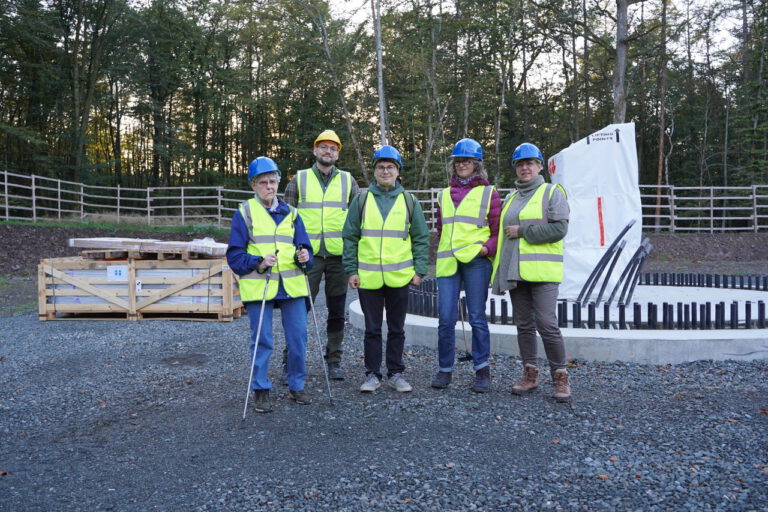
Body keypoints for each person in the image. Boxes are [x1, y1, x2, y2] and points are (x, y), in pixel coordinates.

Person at [226, 156, 314, 413]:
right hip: (260, 286)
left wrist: (305, 256)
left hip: (292, 286)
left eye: (273, 181)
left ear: (278, 183)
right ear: (254, 185)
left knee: (298, 338)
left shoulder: (293, 213)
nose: (269, 187)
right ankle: (261, 388)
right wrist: (259, 262)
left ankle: (296, 384)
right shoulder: (244, 213)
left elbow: (305, 248)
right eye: (263, 182)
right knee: (262, 339)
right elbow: (234, 256)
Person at [342, 145, 430, 393]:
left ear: (397, 171)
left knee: (396, 329)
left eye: (390, 167)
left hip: (400, 277)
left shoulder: (409, 201)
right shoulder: (361, 200)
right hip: (368, 278)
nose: (385, 171)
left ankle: (396, 373)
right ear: (375, 171)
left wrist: (419, 270)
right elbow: (350, 237)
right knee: (371, 330)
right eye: (381, 167)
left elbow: (421, 238)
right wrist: (351, 270)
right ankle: (372, 374)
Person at [490, 142, 572, 402]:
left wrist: (523, 231)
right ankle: (530, 374)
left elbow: (560, 229)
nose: (525, 168)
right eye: (520, 164)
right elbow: (504, 238)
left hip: (543, 271)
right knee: (524, 325)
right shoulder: (511, 197)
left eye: (530, 163)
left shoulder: (552, 192)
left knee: (547, 324)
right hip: (517, 271)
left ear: (539, 166)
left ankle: (560, 377)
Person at [282, 130, 359, 380]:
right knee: (300, 310)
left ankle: (334, 360)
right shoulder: (299, 180)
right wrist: (292, 250)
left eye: (333, 148)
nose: (328, 152)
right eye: (323, 147)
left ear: (338, 154)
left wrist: (354, 256)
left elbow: (358, 220)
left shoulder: (349, 181)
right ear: (315, 151)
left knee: (337, 311)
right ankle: (291, 361)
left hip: (338, 258)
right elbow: (286, 219)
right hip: (307, 257)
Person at [431, 138, 502, 393]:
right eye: (458, 160)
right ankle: (445, 370)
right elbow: (441, 228)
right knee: (446, 320)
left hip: (476, 262)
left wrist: (486, 250)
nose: (462, 164)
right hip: (449, 262)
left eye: (467, 160)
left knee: (477, 318)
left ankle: (482, 370)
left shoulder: (488, 193)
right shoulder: (443, 194)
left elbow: (497, 231)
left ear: (477, 164)